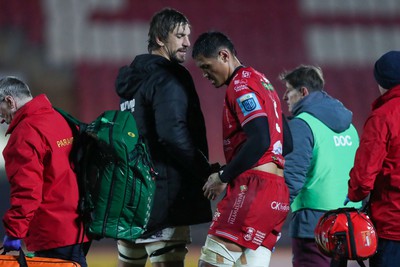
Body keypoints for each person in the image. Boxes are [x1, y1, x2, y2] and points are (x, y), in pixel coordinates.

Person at [114, 8, 213, 267]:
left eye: (188, 36)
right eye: (180, 36)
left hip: (131, 198)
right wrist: (204, 170)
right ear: (160, 38)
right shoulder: (168, 77)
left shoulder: (131, 82)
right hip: (163, 198)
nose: (187, 43)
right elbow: (172, 134)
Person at [192, 31, 292, 267]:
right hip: (276, 193)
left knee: (210, 264)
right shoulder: (263, 83)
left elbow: (259, 139)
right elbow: (287, 142)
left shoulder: (240, 85)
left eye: (207, 66)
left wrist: (224, 176)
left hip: (254, 189)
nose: (205, 74)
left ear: (224, 55)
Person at [0, 77, 90, 266]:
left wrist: (14, 233)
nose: (1, 119)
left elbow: (27, 191)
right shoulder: (60, 118)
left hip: (52, 231)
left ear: (9, 101)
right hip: (79, 226)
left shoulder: (25, 133)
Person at [279, 65, 361, 267]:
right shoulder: (349, 126)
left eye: (288, 90)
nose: (284, 97)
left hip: (313, 227)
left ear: (303, 92)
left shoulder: (301, 124)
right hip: (348, 222)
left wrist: (271, 217)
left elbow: (292, 178)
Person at [346, 50, 400, 267]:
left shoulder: (382, 117)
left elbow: (364, 176)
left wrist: (354, 194)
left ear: (381, 82)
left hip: (392, 224)